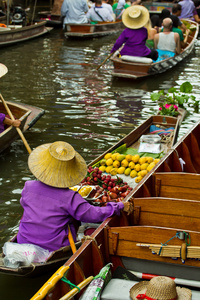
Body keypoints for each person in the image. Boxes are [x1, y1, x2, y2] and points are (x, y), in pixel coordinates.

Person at [17, 141, 133, 252]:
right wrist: (119, 206)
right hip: (53, 247)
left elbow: (25, 204)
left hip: (23, 240)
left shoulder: (28, 186)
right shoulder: (69, 197)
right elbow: (93, 215)